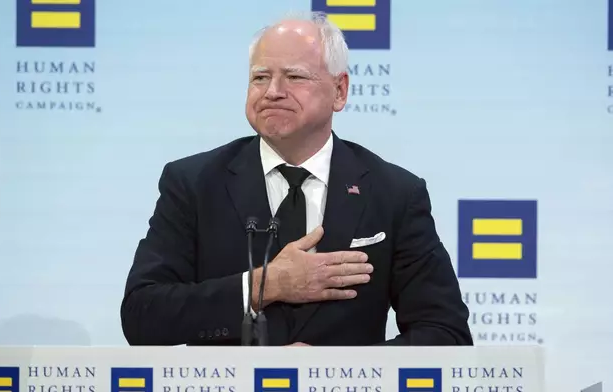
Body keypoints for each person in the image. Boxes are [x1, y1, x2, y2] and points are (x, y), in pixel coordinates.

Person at [120, 11, 473, 346]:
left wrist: (333, 368)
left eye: (294, 76)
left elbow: (446, 332)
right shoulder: (193, 184)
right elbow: (141, 315)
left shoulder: (394, 193)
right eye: (260, 77)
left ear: (339, 91)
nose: (272, 91)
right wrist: (265, 285)